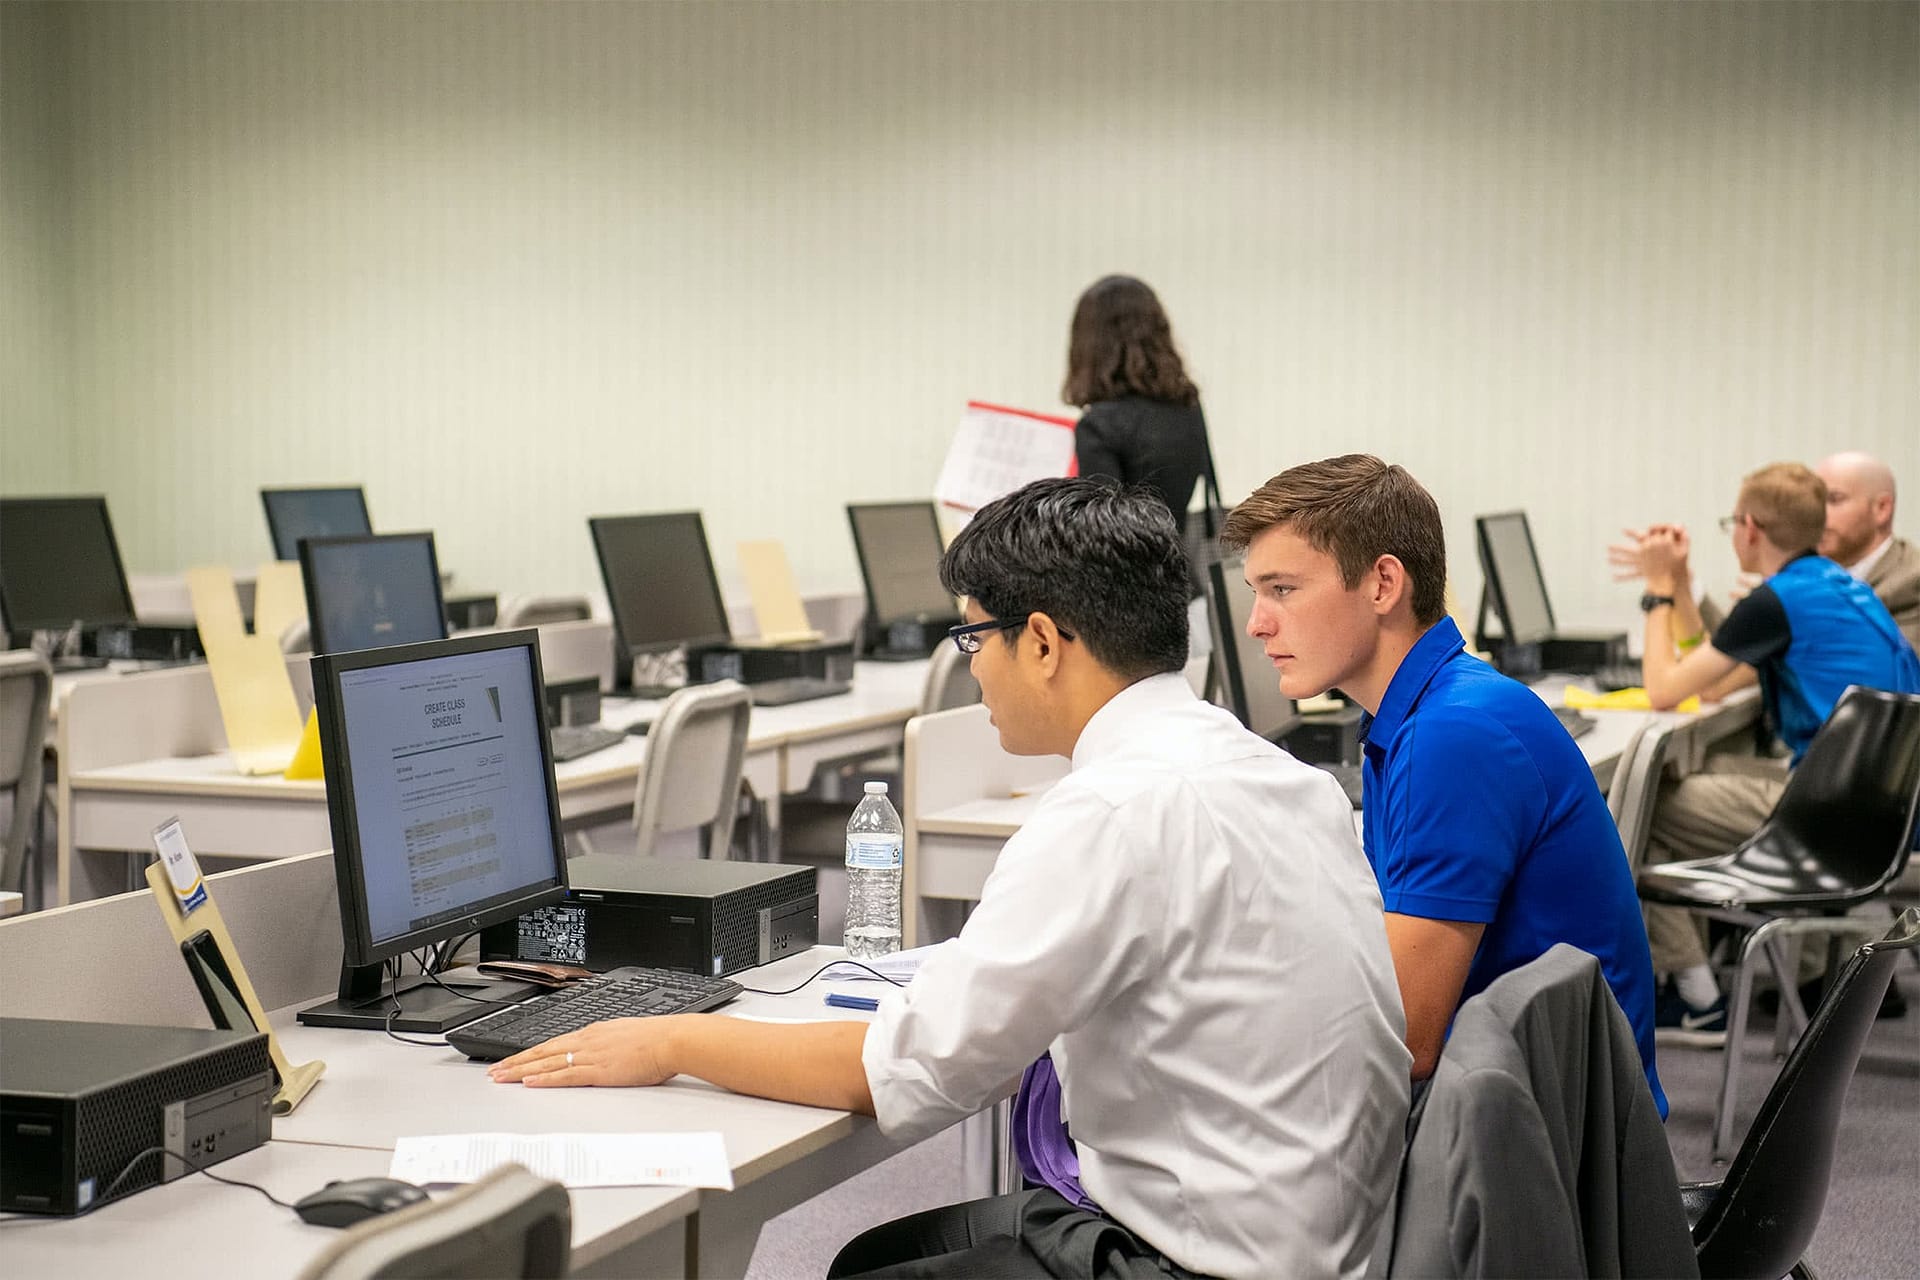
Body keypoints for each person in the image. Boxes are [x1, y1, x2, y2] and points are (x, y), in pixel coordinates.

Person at [492, 478, 1412, 1279]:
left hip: (1203, 1259)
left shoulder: (1109, 814)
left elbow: (904, 1073)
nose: (974, 672)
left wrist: (669, 1042)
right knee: (877, 1256)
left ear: (1044, 643)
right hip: (1320, 1238)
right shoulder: (1275, 777)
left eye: (976, 640)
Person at [1219, 454, 1666, 1111]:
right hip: (1535, 1118)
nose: (1257, 622)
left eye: (1282, 589)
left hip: (1547, 1161)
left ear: (1382, 585)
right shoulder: (1436, 709)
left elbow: (1404, 1043)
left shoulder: (1452, 736)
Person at [1610, 462, 1920, 1039]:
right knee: (1688, 776)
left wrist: (1655, 592)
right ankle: (1698, 982)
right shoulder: (1834, 584)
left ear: (1749, 529)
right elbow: (1712, 680)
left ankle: (1696, 997)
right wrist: (1680, 585)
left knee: (1642, 797)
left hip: (1836, 821)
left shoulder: (1778, 600)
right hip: (1879, 808)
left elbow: (1663, 689)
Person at [1064, 275, 1216, 594]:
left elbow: (1100, 534)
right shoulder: (1189, 409)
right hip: (1182, 586)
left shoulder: (1099, 425)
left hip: (1131, 599)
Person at [1815, 450, 1920, 647]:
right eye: (1815, 502)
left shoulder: (1912, 582)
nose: (1817, 514)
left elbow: (1896, 672)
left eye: (1834, 499)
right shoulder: (1809, 573)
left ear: (1882, 508)